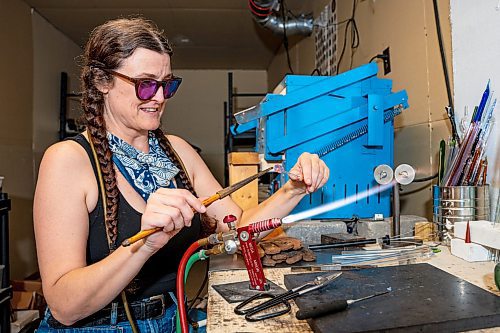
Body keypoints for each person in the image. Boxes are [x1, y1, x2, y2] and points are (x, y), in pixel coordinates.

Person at [34, 17, 329, 332]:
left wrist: (293, 189)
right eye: (146, 83)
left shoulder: (177, 151)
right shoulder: (69, 161)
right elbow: (65, 306)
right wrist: (145, 243)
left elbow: (238, 228)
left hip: (172, 320)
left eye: (167, 84)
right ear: (102, 81)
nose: (159, 98)